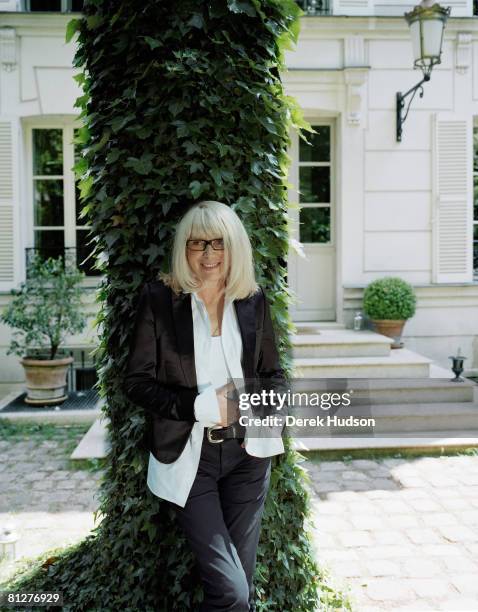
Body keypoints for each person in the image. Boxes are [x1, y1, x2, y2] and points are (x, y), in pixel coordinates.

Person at [123, 200, 286, 612]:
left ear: (235, 248)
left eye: (219, 243)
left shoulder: (252, 300)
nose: (209, 255)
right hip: (190, 457)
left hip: (250, 456)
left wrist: (262, 406)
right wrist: (198, 406)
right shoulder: (160, 301)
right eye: (198, 244)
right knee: (231, 593)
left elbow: (273, 375)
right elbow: (136, 383)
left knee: (238, 591)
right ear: (184, 249)